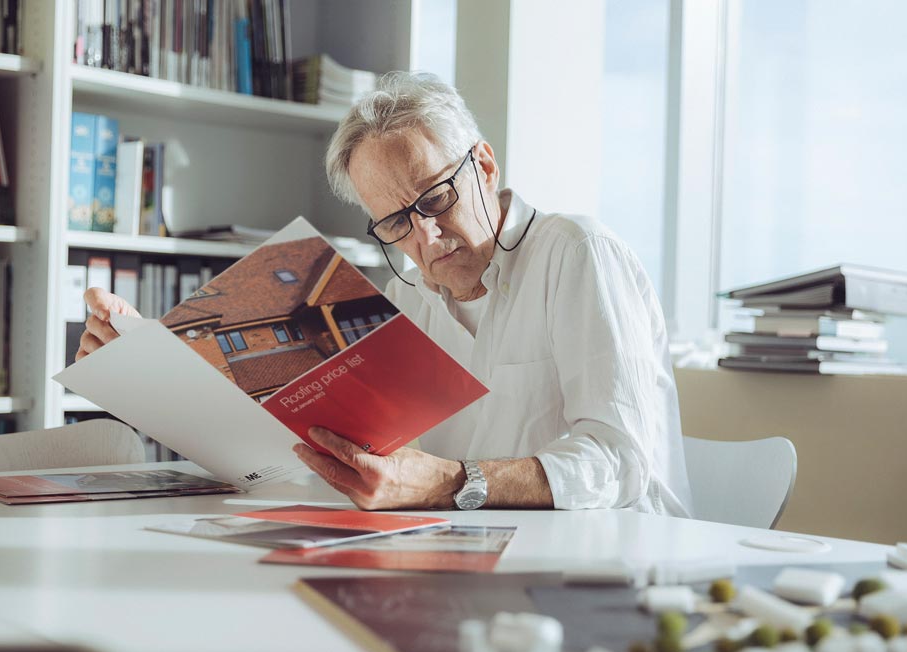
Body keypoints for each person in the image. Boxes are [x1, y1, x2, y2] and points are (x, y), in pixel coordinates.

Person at [78, 72, 692, 516]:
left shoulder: (577, 252)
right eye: (396, 222)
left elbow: (622, 460)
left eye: (435, 198)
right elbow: (324, 454)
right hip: (469, 559)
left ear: (484, 165)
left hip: (613, 564)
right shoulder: (404, 301)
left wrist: (452, 483)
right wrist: (153, 366)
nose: (424, 236)